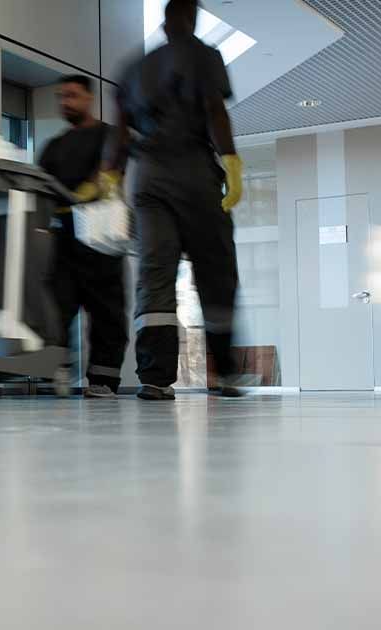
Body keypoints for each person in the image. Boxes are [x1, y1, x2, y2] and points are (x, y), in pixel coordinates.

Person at [106, 0, 246, 400]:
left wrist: (107, 178)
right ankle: (223, 375)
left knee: (155, 273)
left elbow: (119, 132)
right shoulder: (201, 54)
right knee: (216, 270)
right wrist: (231, 161)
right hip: (192, 171)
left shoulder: (131, 69)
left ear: (164, 22)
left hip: (146, 178)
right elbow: (213, 110)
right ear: (189, 18)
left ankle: (155, 377)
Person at [39, 75, 128, 399]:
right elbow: (42, 186)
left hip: (100, 234)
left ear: (89, 98)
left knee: (106, 311)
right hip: (63, 237)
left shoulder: (109, 136)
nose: (65, 102)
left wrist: (91, 188)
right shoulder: (54, 147)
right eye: (61, 97)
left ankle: (103, 380)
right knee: (58, 308)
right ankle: (57, 373)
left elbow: (113, 170)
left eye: (72, 96)